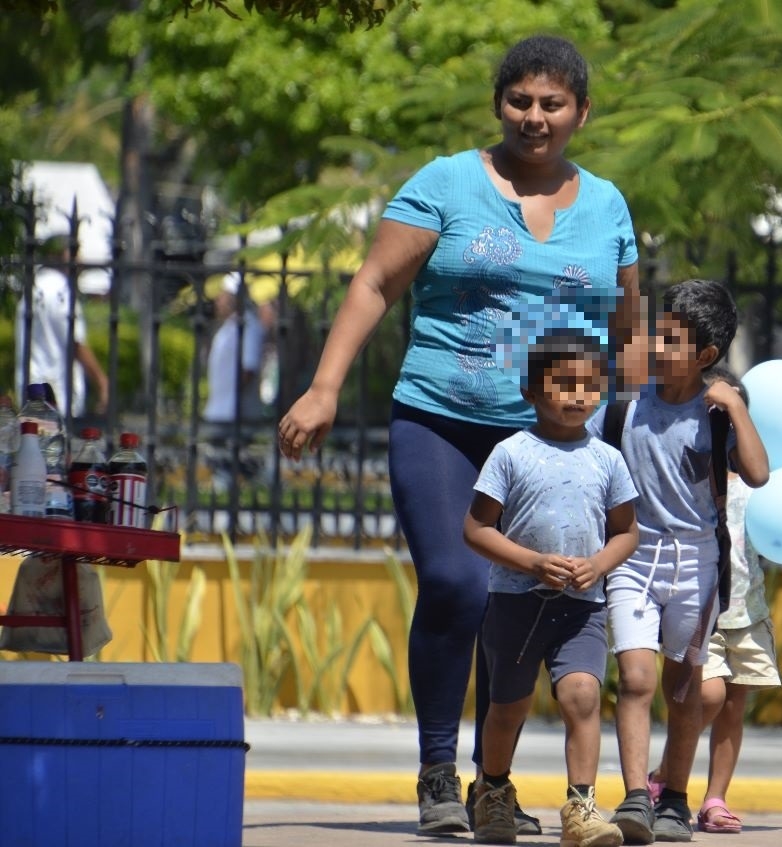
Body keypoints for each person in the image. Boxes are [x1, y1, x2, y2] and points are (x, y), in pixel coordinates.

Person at [275, 35, 642, 837]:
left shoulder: (608, 204)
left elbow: (627, 329)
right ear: (497, 104)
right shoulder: (445, 182)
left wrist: (645, 425)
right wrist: (325, 386)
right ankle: (438, 772)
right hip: (439, 418)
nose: (534, 117)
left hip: (551, 444)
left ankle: (493, 785)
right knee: (456, 582)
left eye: (552, 104)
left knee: (518, 602)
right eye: (520, 100)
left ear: (581, 111)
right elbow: (374, 282)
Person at [588, 279, 770, 844]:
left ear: (706, 357)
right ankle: (637, 798)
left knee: (686, 686)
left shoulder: (714, 415)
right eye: (655, 333)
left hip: (697, 561)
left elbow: (759, 474)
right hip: (633, 556)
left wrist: (737, 407)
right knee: (636, 678)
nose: (655, 346)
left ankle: (676, 797)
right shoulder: (624, 407)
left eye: (671, 340)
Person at [462, 330, 637, 846]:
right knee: (508, 706)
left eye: (590, 384)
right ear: (532, 392)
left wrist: (600, 564)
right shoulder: (511, 454)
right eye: (565, 384)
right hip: (516, 604)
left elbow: (627, 531)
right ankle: (493, 790)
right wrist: (533, 562)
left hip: (582, 607)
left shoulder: (607, 459)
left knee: (582, 695)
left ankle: (581, 808)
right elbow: (476, 530)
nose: (580, 395)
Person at [644, 366, 779, 836]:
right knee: (710, 694)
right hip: (704, 603)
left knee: (735, 704)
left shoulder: (760, 482)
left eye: (733, 413)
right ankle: (666, 773)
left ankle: (715, 798)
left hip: (748, 608)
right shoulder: (694, 478)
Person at [13, 236, 109, 420]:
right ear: (60, 255)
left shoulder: (33, 288)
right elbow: (76, 343)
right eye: (74, 253)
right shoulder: (62, 292)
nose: (80, 261)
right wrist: (102, 381)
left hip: (29, 388)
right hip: (57, 393)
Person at [203, 273, 265, 426]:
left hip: (234, 414)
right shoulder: (230, 326)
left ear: (234, 299)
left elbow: (249, 368)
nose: (218, 300)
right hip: (220, 411)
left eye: (223, 296)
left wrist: (235, 397)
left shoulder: (248, 325)